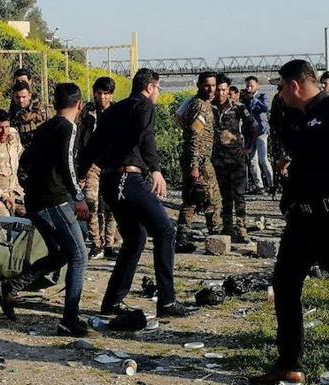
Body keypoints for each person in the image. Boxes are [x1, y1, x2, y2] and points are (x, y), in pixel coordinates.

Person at [250, 59, 329, 385]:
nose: (281, 94)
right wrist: (288, 201)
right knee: (286, 287)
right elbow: (301, 164)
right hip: (302, 220)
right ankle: (290, 364)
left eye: (281, 87)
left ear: (294, 85)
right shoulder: (293, 116)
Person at [79, 68, 190, 318]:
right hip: (126, 179)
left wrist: (80, 173)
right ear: (150, 87)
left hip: (109, 181)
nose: (158, 94)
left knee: (136, 237)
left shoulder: (112, 111)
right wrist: (157, 170)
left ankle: (112, 302)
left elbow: (92, 145)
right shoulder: (145, 106)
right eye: (158, 89)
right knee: (165, 231)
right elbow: (146, 136)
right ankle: (167, 302)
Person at [0, 83, 91, 337]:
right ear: (79, 105)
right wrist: (78, 196)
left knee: (61, 253)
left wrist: (32, 187)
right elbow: (67, 164)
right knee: (79, 257)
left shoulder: (45, 127)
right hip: (54, 201)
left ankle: (11, 286)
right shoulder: (68, 127)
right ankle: (69, 320)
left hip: (36, 201)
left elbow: (25, 161)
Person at [175, 71, 222, 254]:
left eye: (213, 85)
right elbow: (195, 136)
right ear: (199, 85)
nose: (211, 89)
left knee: (191, 200)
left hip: (193, 159)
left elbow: (180, 120)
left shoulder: (195, 103)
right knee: (213, 198)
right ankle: (216, 237)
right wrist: (195, 165)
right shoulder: (201, 106)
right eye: (206, 85)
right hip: (200, 161)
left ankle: (181, 240)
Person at [211, 74, 258, 243]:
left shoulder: (238, 107)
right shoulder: (209, 107)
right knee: (224, 196)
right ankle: (227, 227)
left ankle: (241, 228)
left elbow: (253, 126)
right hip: (217, 158)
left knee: (239, 195)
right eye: (218, 90)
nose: (221, 93)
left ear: (228, 90)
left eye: (224, 90)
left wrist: (249, 148)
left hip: (236, 157)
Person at [78, 76, 119, 260]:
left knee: (111, 206)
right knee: (91, 202)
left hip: (112, 165)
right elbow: (81, 139)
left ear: (111, 95)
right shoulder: (88, 113)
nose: (102, 97)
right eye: (99, 93)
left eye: (106, 94)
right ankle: (96, 243)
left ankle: (109, 244)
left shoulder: (118, 112)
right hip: (92, 164)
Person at [242, 75, 274, 195]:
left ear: (257, 86)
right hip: (250, 133)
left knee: (263, 159)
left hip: (261, 132)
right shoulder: (245, 99)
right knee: (252, 161)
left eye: (251, 86)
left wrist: (253, 99)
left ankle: (271, 185)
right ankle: (259, 186)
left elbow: (266, 108)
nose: (249, 88)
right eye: (247, 86)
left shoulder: (262, 96)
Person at [9, 80, 47, 150]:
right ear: (13, 97)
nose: (21, 100)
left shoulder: (42, 110)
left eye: (24, 97)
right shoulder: (11, 114)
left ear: (29, 96)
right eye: (17, 97)